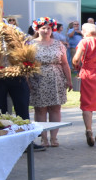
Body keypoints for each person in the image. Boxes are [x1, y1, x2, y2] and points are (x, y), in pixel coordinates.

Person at [28, 18, 71, 149]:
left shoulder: (58, 44)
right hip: (37, 79)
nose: (46, 31)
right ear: (37, 29)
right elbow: (26, 64)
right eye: (43, 28)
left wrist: (69, 80)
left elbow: (64, 63)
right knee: (40, 109)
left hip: (56, 78)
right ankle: (43, 138)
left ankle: (54, 137)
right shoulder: (30, 44)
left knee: (55, 107)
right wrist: (27, 80)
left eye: (49, 28)